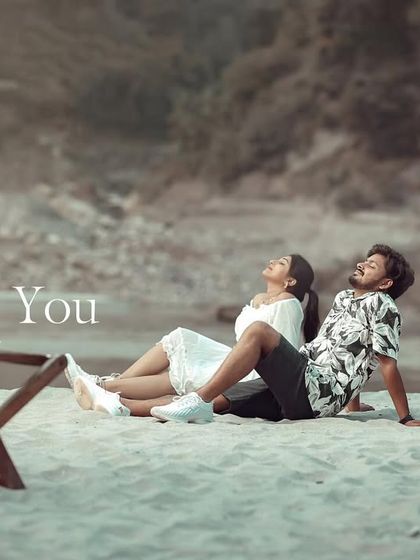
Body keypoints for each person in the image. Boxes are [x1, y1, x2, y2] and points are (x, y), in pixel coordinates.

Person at [149, 244, 420, 427]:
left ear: (385, 283)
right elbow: (344, 356)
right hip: (303, 381)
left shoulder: (384, 306)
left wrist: (405, 417)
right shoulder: (344, 298)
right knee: (214, 400)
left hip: (314, 393)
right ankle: (121, 405)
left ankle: (197, 401)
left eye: (371, 266)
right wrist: (352, 406)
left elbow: (386, 364)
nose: (362, 264)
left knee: (259, 332)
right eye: (365, 260)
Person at [68, 254, 319, 416]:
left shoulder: (288, 304)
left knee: (185, 370)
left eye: (282, 263)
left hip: (253, 373)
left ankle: (103, 386)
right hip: (236, 359)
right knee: (181, 340)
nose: (273, 261)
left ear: (290, 282)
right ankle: (106, 385)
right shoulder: (259, 300)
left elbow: (281, 352)